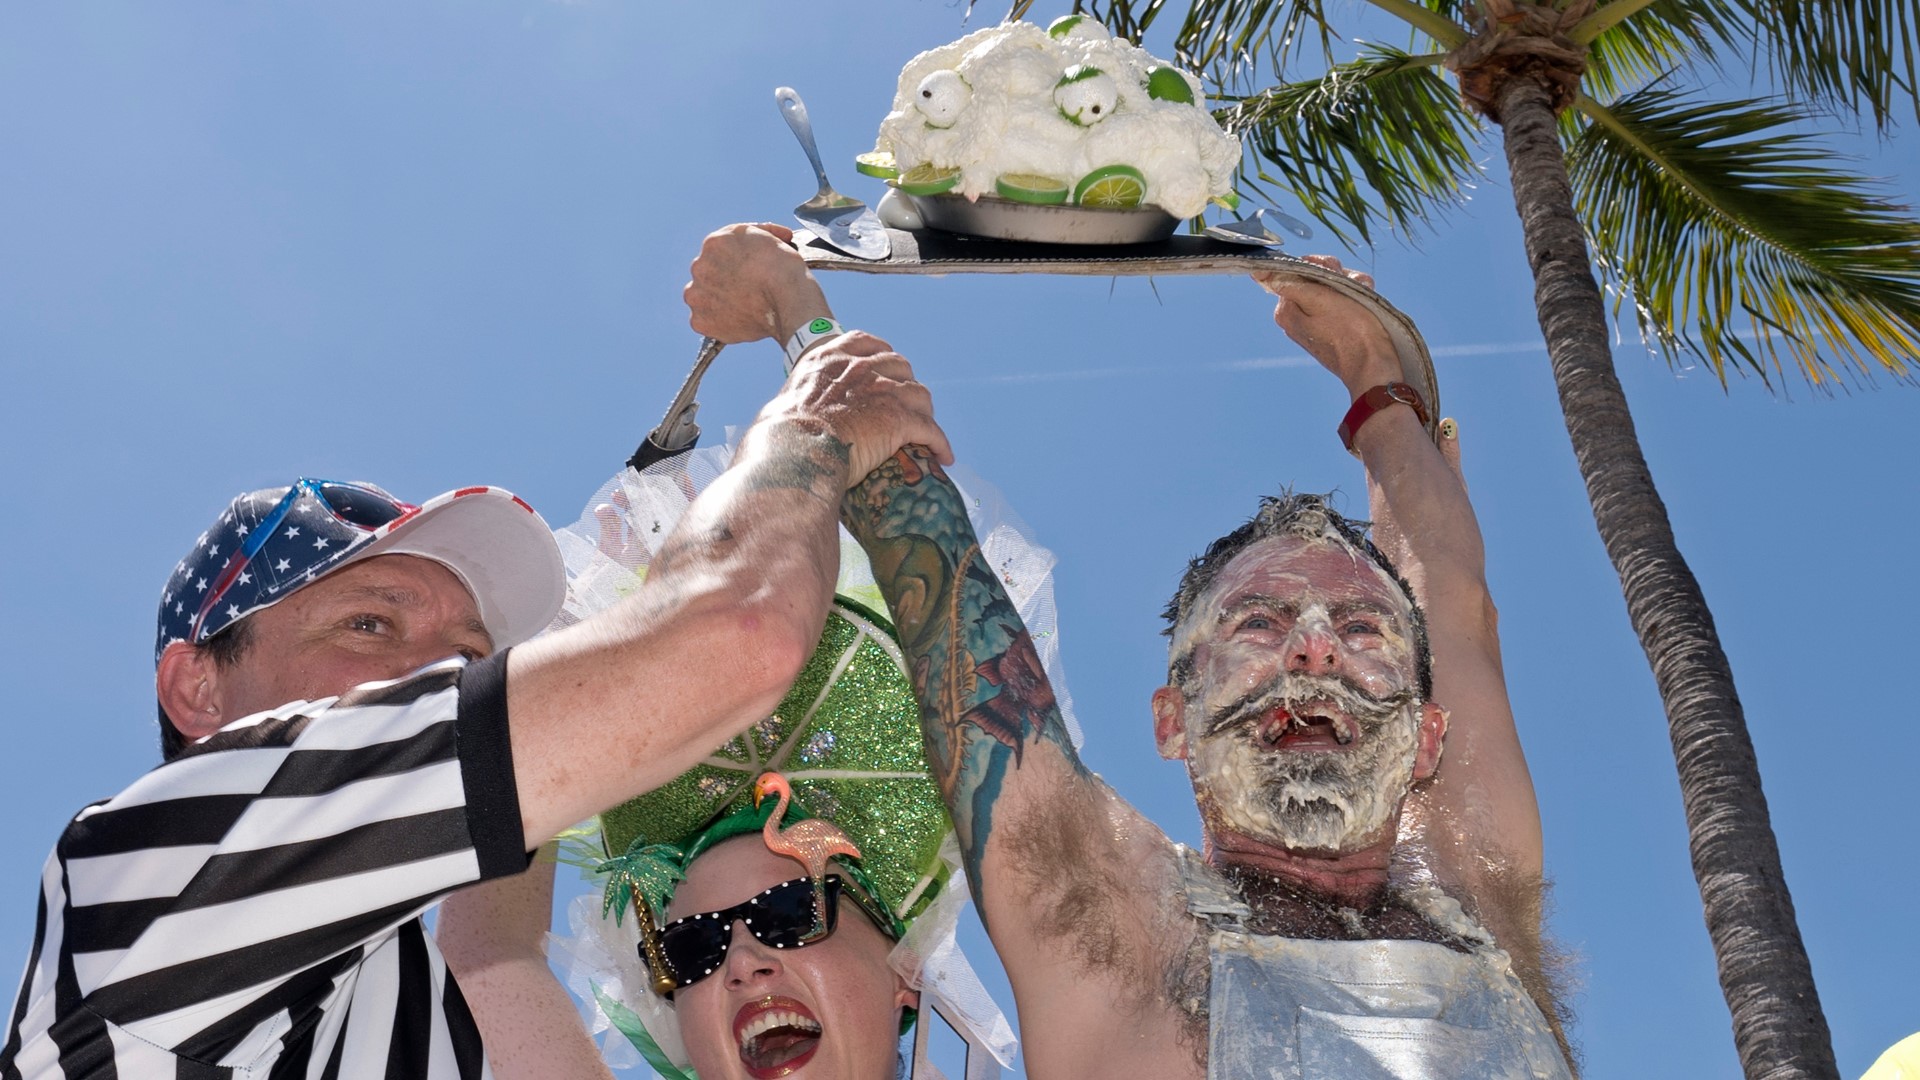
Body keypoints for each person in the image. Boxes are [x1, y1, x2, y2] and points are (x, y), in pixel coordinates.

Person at [0, 222, 950, 1078]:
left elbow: (492, 940)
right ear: (197, 690)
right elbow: (737, 632)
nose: (447, 676)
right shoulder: (158, 874)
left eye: (473, 653)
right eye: (369, 624)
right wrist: (813, 402)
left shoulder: (414, 1000)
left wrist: (586, 644)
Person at [835, 260, 1576, 1079]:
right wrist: (813, 335)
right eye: (1259, 621)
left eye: (1363, 627)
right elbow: (948, 619)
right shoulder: (1119, 923)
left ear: (1429, 737)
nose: (1317, 648)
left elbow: (1456, 608)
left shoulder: (1476, 886)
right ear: (1171, 719)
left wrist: (1374, 373)